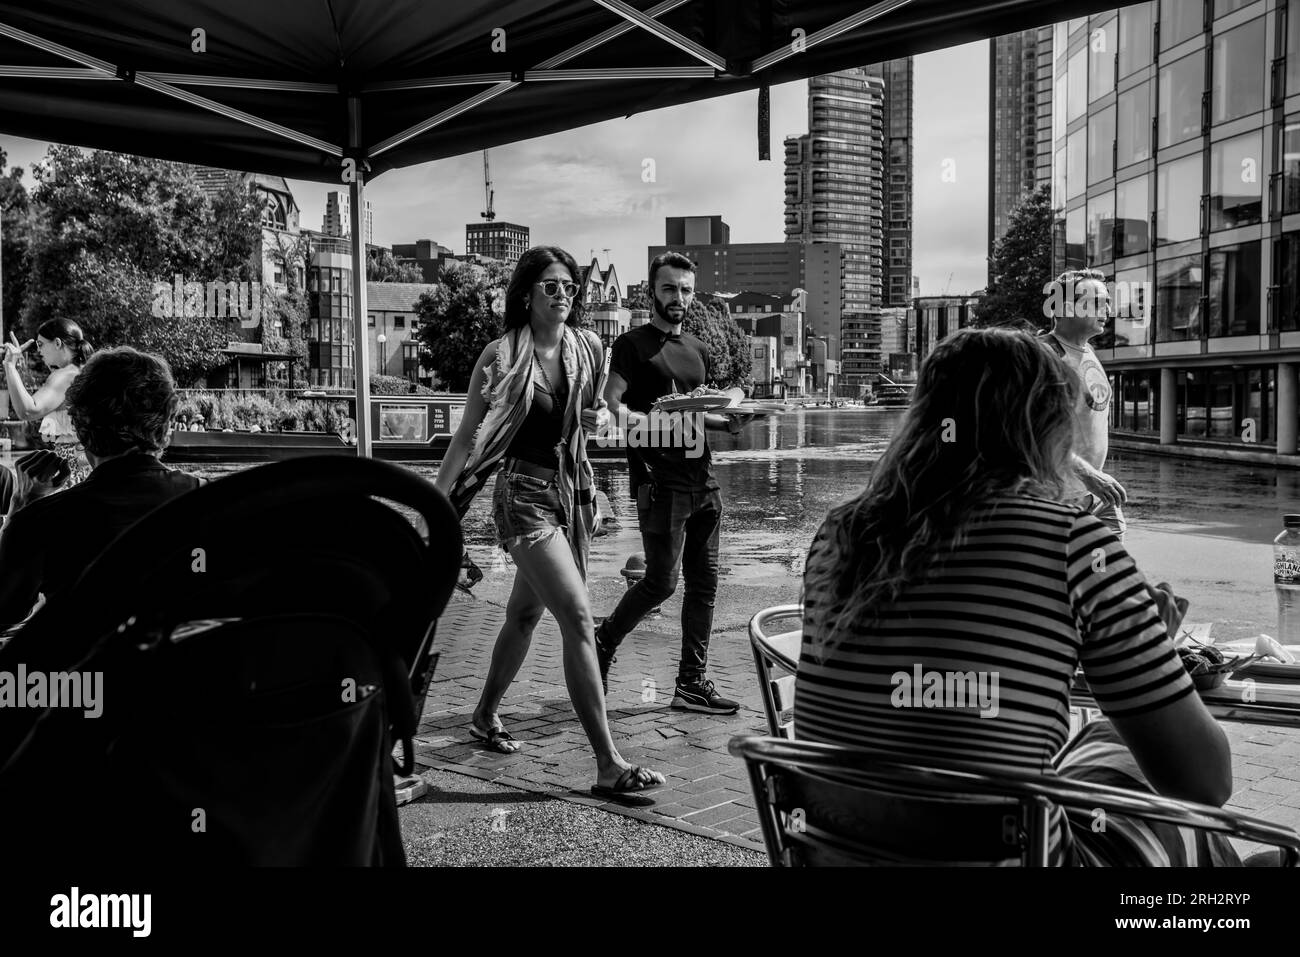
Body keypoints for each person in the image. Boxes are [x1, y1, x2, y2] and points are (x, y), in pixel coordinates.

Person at [796, 326, 1248, 866]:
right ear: (1050, 430)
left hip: (846, 852)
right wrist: (1148, 653)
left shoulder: (839, 533)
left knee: (1101, 743)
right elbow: (1206, 783)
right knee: (1179, 818)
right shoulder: (1074, 543)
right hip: (1011, 857)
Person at [434, 246, 663, 804]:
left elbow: (602, 419)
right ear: (527, 294)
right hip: (522, 497)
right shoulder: (500, 355)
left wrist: (601, 417)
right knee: (578, 616)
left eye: (570, 288)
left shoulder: (587, 348)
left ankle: (484, 717)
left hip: (568, 493)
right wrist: (433, 505)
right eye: (552, 287)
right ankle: (608, 764)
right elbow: (467, 437)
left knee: (523, 614)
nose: (564, 296)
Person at [595, 252, 752, 714]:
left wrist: (733, 422)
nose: (678, 297)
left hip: (703, 480)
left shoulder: (699, 350)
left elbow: (700, 416)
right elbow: (611, 406)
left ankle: (690, 683)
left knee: (704, 585)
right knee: (661, 583)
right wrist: (649, 420)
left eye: (685, 289)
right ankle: (603, 640)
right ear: (652, 292)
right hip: (658, 482)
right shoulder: (631, 345)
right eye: (669, 288)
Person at [0, 347, 203, 626]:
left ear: (79, 425)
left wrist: (20, 507)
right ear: (166, 424)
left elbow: (4, 613)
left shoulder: (43, 522)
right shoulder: (209, 502)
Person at [1040, 268, 1127, 539]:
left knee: (1110, 575)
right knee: (1060, 577)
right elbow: (1034, 431)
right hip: (1055, 498)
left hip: (1095, 498)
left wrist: (1093, 478)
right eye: (1098, 302)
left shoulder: (1087, 351)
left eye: (1108, 302)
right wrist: (1089, 474)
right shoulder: (1044, 355)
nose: (1108, 309)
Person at [3, 319, 94, 488]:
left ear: (58, 343)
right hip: (89, 465)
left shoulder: (64, 375)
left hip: (72, 469)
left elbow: (28, 411)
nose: (38, 351)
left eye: (40, 344)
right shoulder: (87, 372)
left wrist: (10, 365)